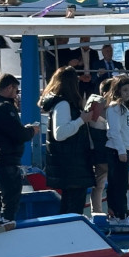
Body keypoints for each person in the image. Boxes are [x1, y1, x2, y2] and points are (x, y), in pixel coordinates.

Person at [0, 73, 40, 227]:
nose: (17, 95)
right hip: (6, 161)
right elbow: (19, 134)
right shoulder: (4, 107)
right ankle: (6, 227)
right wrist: (32, 130)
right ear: (10, 88)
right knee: (10, 202)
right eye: (16, 91)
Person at [39, 66, 94, 215]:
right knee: (74, 206)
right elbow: (60, 133)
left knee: (69, 203)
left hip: (68, 165)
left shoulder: (61, 103)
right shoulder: (63, 104)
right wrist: (81, 120)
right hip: (71, 165)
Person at [104, 75, 129, 227]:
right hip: (115, 151)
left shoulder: (123, 109)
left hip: (124, 149)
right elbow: (114, 131)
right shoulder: (114, 108)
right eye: (125, 90)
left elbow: (127, 132)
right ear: (117, 90)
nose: (128, 93)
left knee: (118, 184)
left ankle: (116, 214)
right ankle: (120, 215)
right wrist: (121, 151)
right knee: (119, 185)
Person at [87, 77, 114, 214]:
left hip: (95, 152)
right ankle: (113, 210)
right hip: (104, 152)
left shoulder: (92, 104)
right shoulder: (104, 108)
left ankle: (96, 212)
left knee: (99, 184)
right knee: (125, 179)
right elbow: (110, 130)